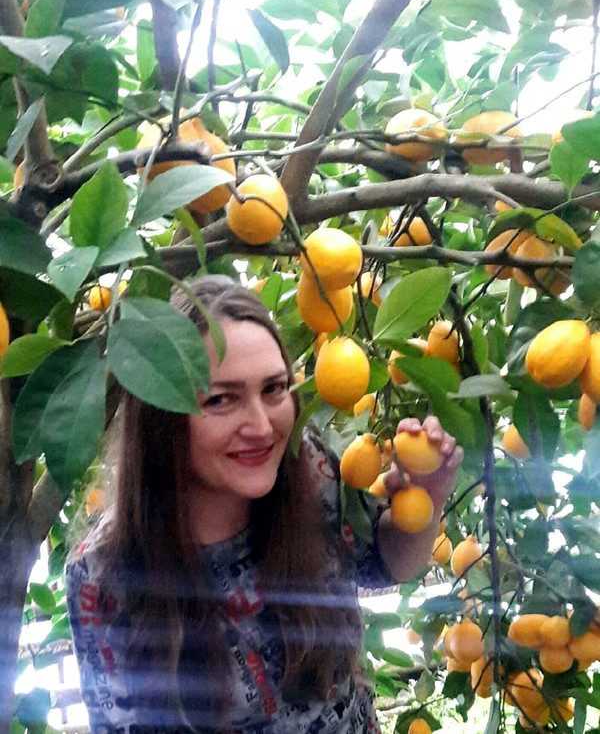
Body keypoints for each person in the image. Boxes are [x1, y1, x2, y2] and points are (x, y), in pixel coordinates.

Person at [65, 275, 463, 734]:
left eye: (273, 389)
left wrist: (430, 493)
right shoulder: (103, 576)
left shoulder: (310, 466)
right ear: (162, 415)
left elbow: (385, 564)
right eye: (221, 399)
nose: (261, 426)